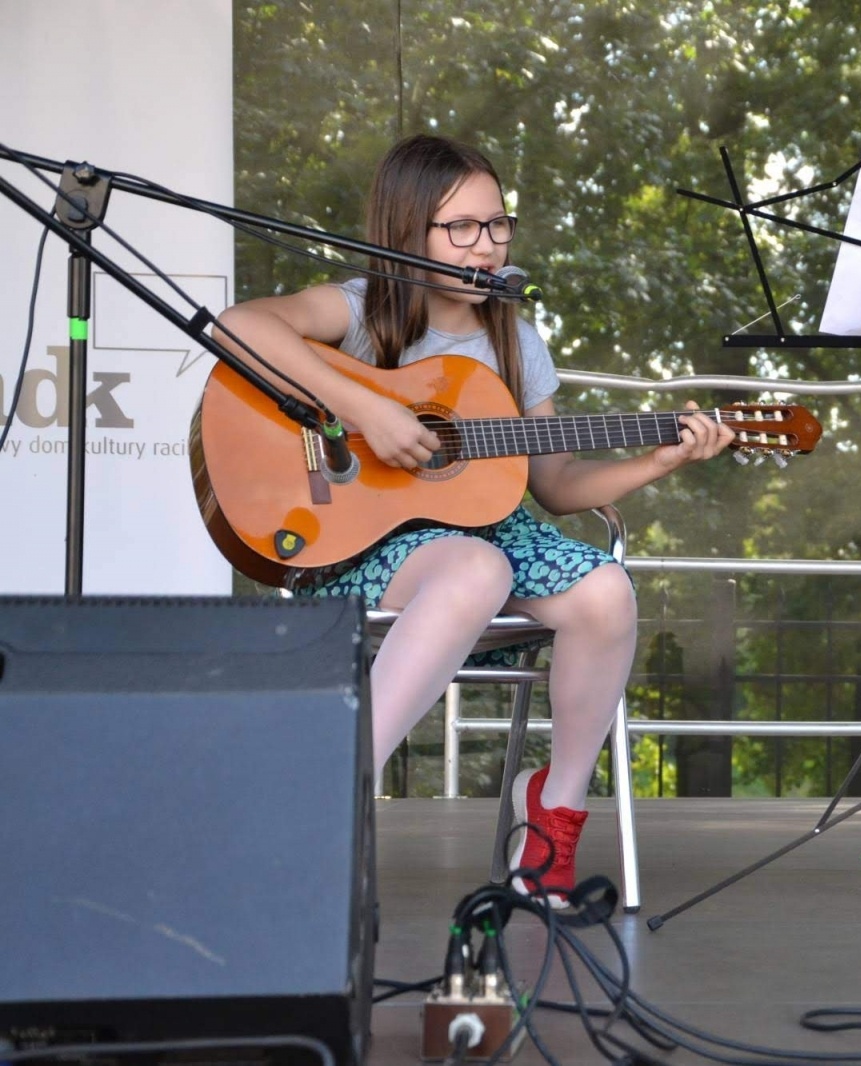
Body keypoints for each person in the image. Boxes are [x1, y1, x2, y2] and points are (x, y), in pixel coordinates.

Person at [215, 134, 734, 907]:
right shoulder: (359, 309)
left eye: (498, 225)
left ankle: (553, 812)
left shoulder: (515, 340)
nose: (487, 246)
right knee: (476, 568)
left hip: (496, 530)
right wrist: (369, 409)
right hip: (366, 542)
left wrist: (659, 461)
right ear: (407, 230)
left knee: (605, 592)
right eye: (462, 228)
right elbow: (236, 327)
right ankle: (334, 798)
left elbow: (554, 484)